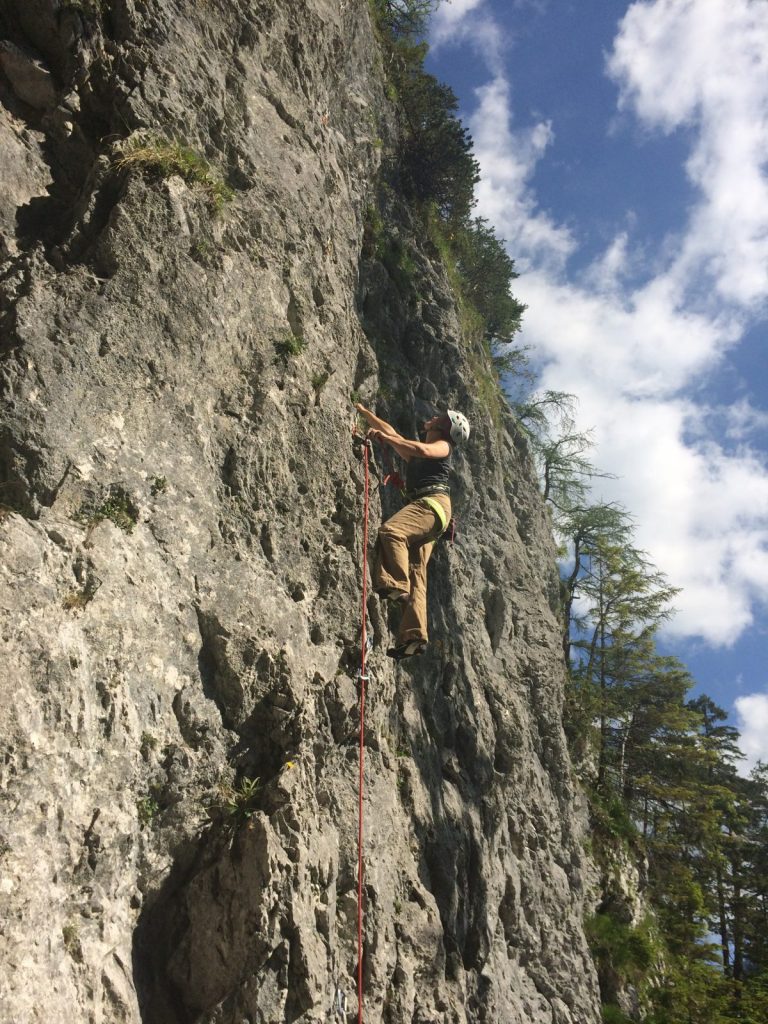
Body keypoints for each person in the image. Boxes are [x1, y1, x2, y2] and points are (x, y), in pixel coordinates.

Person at [354, 402, 470, 660]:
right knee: (418, 570)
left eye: (439, 417)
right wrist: (365, 413)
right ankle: (414, 635)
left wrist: (385, 438)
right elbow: (394, 435)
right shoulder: (420, 454)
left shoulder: (444, 446)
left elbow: (419, 448)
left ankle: (395, 583)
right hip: (434, 516)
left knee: (392, 531)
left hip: (432, 505)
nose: (433, 417)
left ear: (444, 427)